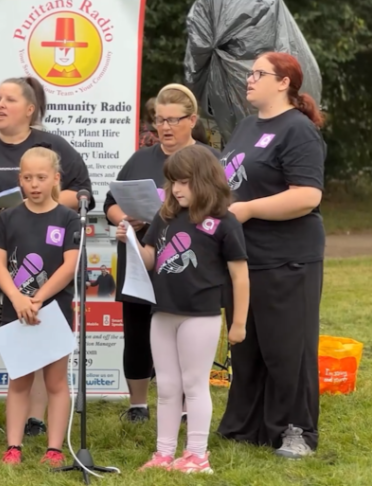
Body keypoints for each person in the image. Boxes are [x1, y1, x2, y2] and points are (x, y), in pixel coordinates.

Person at [0, 77, 94, 437]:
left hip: (45, 277)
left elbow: (82, 195)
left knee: (40, 347)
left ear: (30, 109)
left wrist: (36, 204)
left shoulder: (53, 146)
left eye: (9, 100)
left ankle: (36, 420)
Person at [216, 52, 326, 459]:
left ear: (283, 82)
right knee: (248, 344)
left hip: (288, 257)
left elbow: (307, 195)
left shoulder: (298, 130)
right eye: (248, 73)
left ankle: (296, 431)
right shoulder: (246, 127)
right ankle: (247, 426)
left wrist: (247, 209)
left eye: (258, 73)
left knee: (287, 349)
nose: (249, 79)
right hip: (244, 256)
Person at [125, 145, 249, 473]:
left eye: (183, 182)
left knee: (194, 385)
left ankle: (197, 454)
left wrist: (239, 323)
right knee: (166, 387)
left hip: (201, 315)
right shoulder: (164, 217)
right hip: (162, 313)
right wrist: (131, 241)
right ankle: (164, 454)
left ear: (205, 180)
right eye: (172, 182)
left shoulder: (225, 222)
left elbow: (240, 275)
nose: (176, 189)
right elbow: (150, 258)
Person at [107, 83, 219, 422]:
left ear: (192, 120)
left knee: (185, 335)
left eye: (173, 120)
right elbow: (111, 203)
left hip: (186, 264)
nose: (165, 128)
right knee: (137, 333)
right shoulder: (141, 158)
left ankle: (187, 406)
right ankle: (138, 404)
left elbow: (222, 207)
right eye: (159, 120)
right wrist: (124, 218)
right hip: (141, 258)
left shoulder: (208, 159)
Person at [0, 146, 79, 466]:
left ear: (56, 178)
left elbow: (70, 265)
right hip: (15, 310)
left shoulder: (68, 218)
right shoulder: (9, 217)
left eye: (41, 177)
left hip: (53, 311)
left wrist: (39, 299)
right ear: (20, 180)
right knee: (19, 380)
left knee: (55, 382)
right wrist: (17, 298)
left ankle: (54, 449)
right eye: (27, 178)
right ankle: (13, 447)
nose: (34, 184)